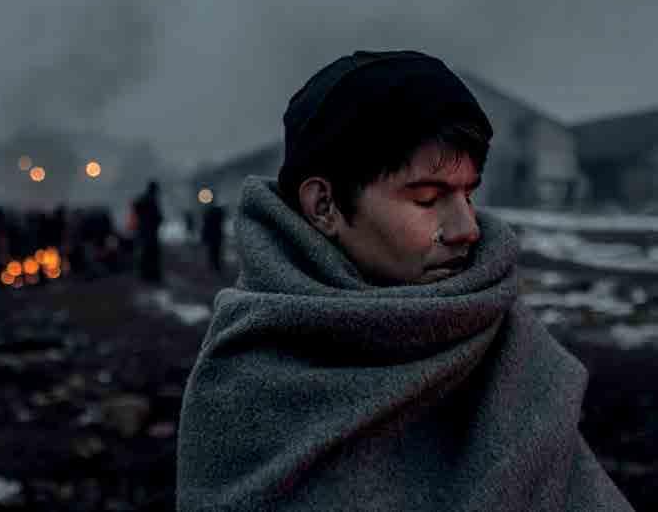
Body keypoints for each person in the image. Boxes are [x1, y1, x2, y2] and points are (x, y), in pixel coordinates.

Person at [176, 51, 634, 511]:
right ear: (324, 206)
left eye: (468, 194)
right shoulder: (249, 380)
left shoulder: (509, 352)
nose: (467, 229)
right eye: (428, 198)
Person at [134, 179, 164, 283]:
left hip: (144, 231)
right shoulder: (151, 200)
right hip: (150, 232)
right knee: (152, 254)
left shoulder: (143, 199)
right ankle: (152, 276)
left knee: (146, 254)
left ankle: (146, 275)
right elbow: (158, 216)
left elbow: (136, 208)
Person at [201, 201, 225, 272]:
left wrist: (204, 237)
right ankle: (216, 266)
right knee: (216, 252)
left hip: (213, 236)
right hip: (216, 236)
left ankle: (213, 266)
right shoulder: (217, 214)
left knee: (213, 252)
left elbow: (205, 227)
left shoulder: (208, 215)